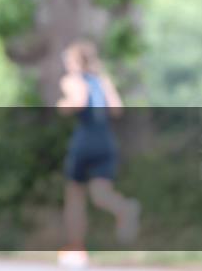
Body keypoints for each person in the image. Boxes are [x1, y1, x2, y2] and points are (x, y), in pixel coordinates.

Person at [56, 39, 140, 267]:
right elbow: (117, 108)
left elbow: (78, 101)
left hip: (85, 140)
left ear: (75, 61)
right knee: (101, 194)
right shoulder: (102, 80)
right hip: (106, 140)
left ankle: (76, 249)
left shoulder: (72, 80)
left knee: (74, 195)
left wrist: (64, 104)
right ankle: (125, 208)